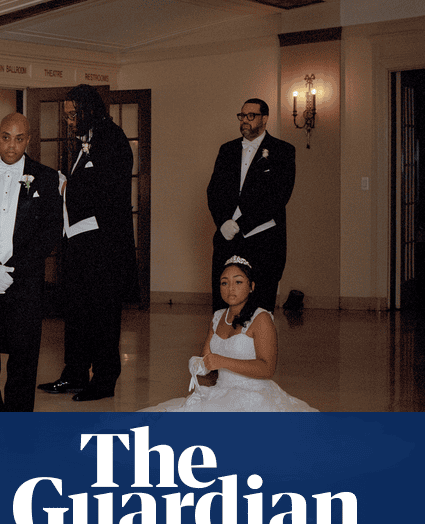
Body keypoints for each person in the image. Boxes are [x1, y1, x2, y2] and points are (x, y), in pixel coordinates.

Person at [0, 113, 62, 437]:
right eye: (6, 137)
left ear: (28, 140)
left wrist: (13, 269)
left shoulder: (45, 178)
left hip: (25, 282)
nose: (12, 145)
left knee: (23, 354)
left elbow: (50, 232)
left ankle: (17, 423)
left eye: (19, 139)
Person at [38, 84, 137, 402]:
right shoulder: (86, 141)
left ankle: (104, 380)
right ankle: (75, 373)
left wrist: (64, 187)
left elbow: (108, 189)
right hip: (80, 242)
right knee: (77, 310)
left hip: (104, 246)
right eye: (66, 115)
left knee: (103, 314)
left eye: (73, 114)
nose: (68, 121)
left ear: (89, 110)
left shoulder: (112, 139)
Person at [140, 257, 316, 412]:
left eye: (238, 282)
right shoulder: (218, 317)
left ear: (251, 286)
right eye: (224, 283)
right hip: (221, 391)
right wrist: (198, 364)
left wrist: (223, 361)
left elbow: (267, 368)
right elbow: (207, 360)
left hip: (254, 395)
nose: (231, 288)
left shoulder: (261, 318)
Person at [207, 98, 296, 312]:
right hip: (228, 238)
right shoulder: (227, 150)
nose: (245, 120)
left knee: (260, 303)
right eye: (242, 116)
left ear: (264, 119)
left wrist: (242, 224)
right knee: (224, 302)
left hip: (264, 241)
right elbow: (214, 191)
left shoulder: (283, 150)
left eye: (251, 116)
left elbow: (278, 196)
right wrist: (223, 222)